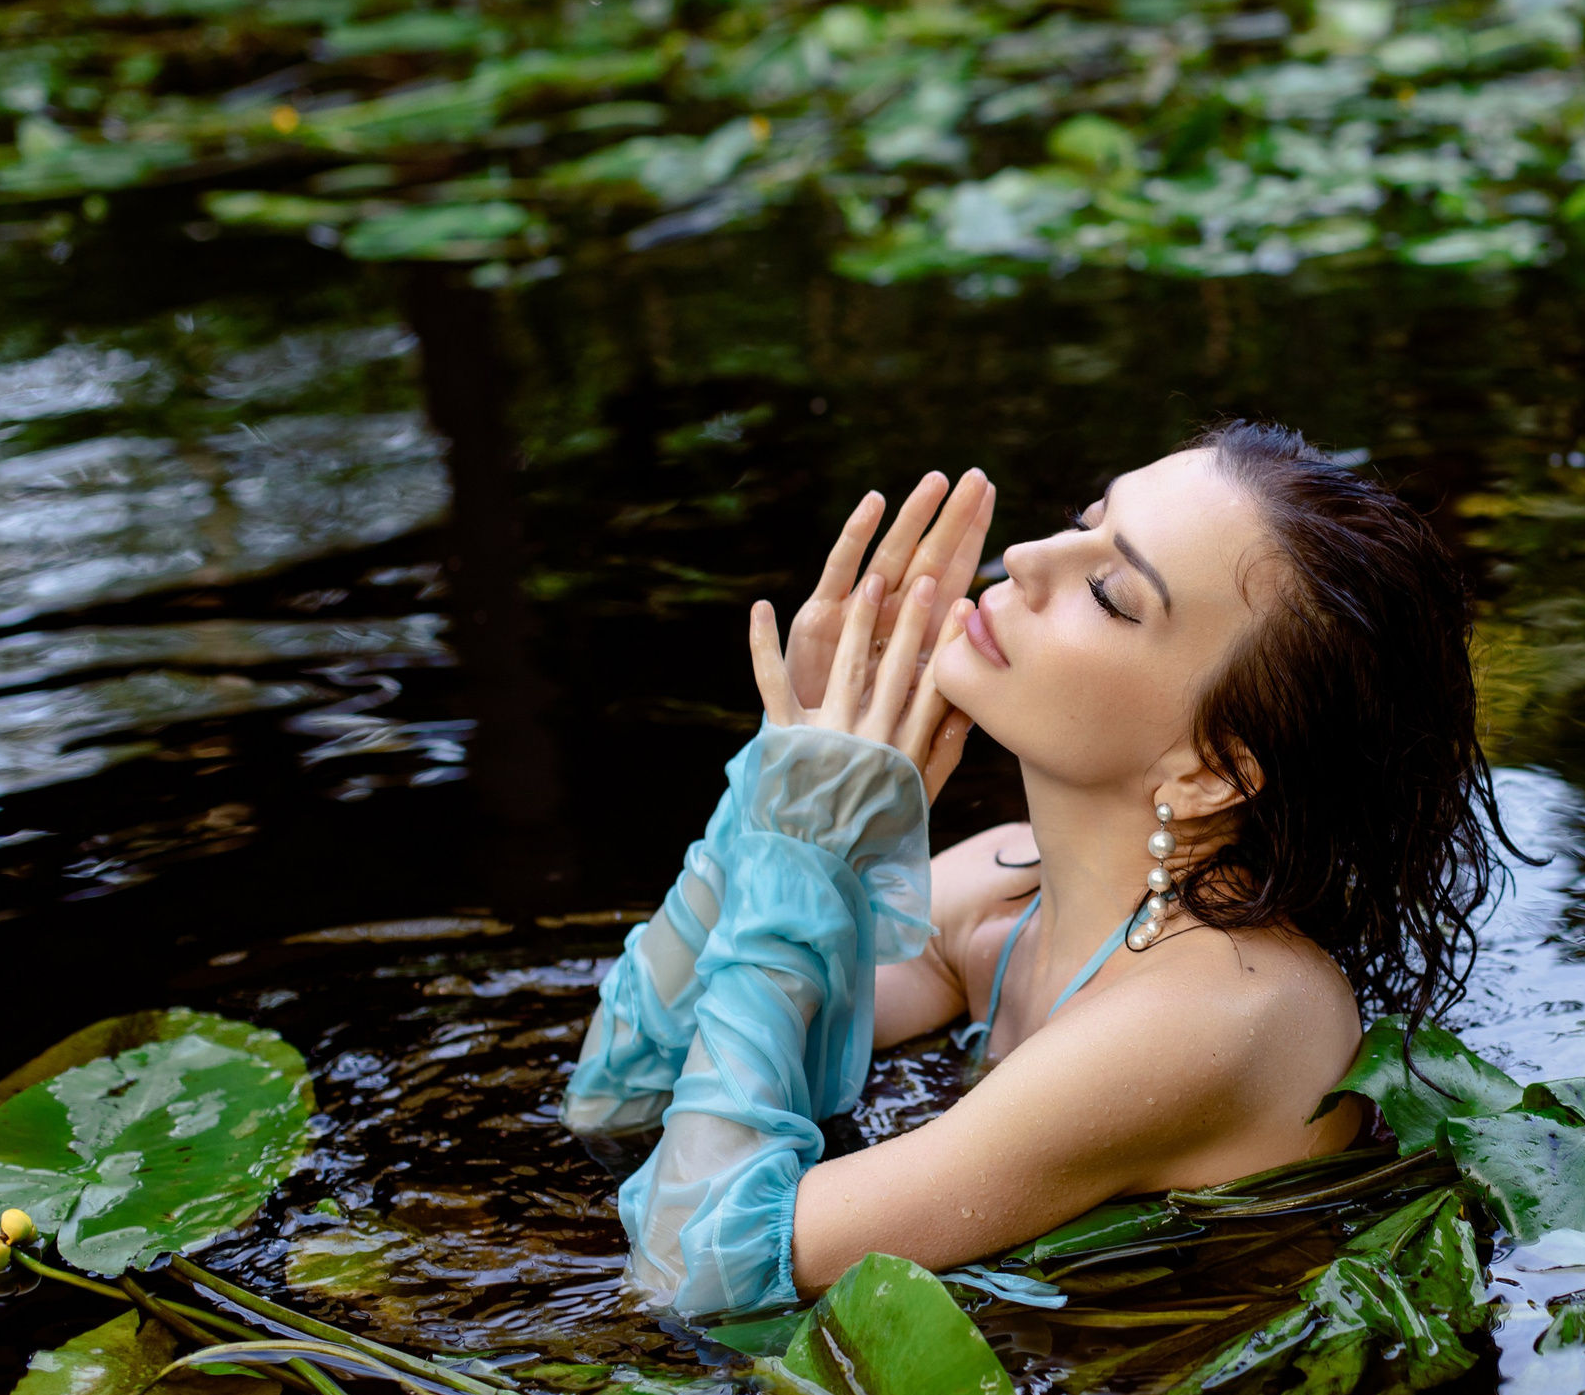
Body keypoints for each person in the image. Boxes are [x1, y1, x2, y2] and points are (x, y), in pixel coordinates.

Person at [561, 422, 1508, 1316]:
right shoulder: (1002, 889)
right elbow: (619, 1099)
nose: (1025, 558)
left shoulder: (1228, 1011)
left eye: (1109, 593)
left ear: (1214, 767)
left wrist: (802, 855)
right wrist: (782, 781)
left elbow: (690, 1267)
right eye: (1083, 524)